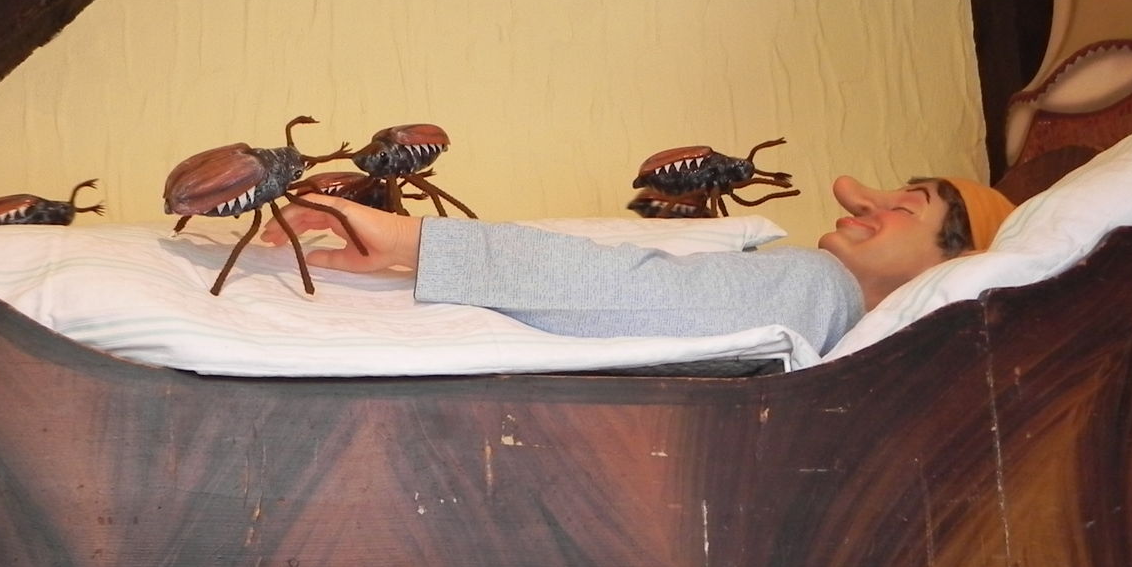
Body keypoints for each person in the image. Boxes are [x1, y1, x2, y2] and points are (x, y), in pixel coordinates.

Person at [264, 174, 1015, 354]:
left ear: (948, 266)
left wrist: (408, 242)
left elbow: (626, 294)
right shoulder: (817, 293)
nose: (862, 200)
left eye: (907, 207)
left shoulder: (818, 287)